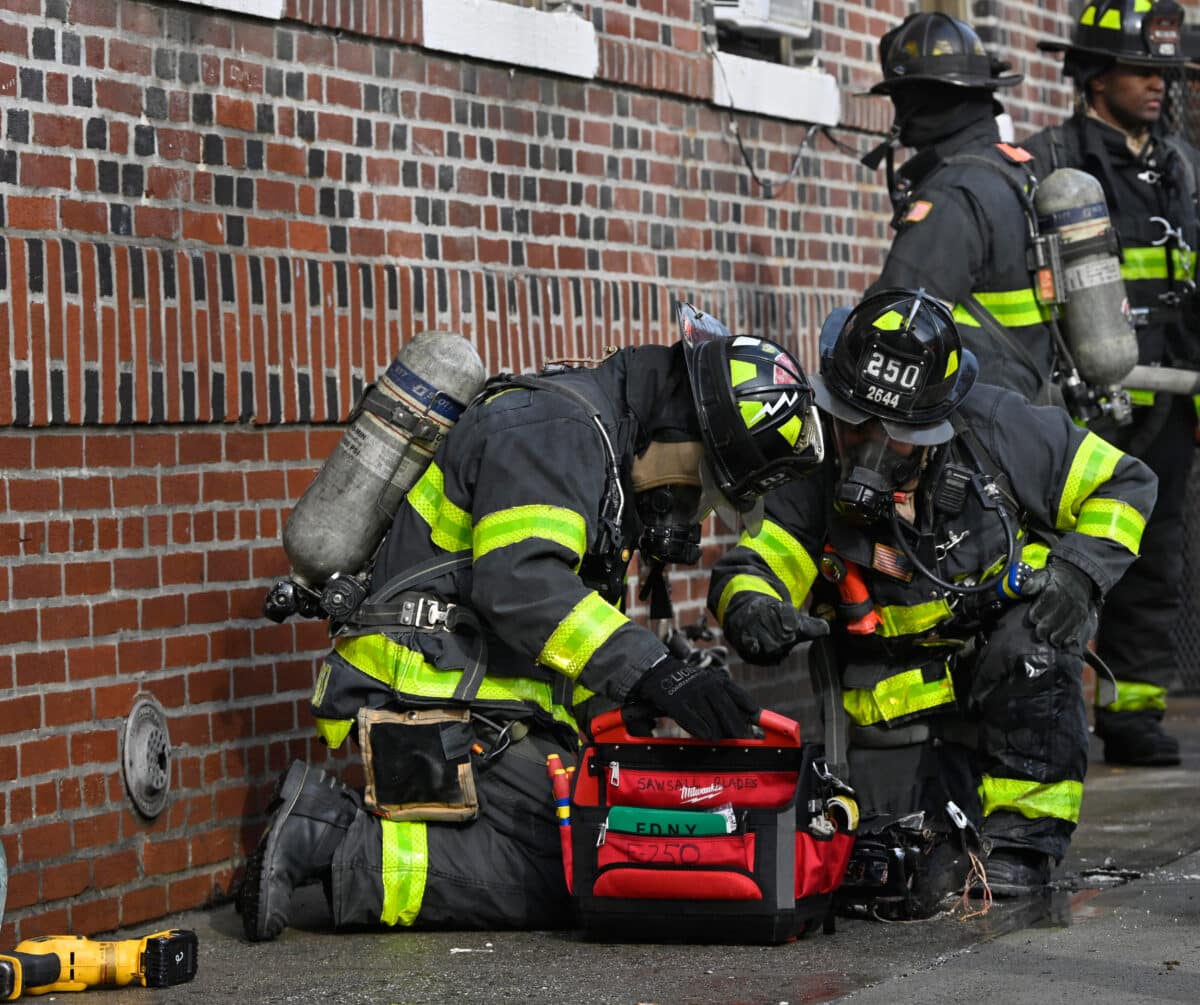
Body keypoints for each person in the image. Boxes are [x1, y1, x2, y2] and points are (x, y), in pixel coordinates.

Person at [237, 305, 826, 941]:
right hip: (427, 696)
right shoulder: (557, 430)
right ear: (685, 428)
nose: (698, 509)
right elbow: (522, 587)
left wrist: (638, 703)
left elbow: (561, 624)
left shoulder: (604, 439)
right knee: (588, 864)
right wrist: (652, 672)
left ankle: (365, 836)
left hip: (485, 701)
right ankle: (332, 838)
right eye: (706, 484)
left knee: (614, 836)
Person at [710, 289, 1157, 915]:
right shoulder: (813, 467)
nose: (868, 446)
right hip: (895, 705)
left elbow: (1125, 482)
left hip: (1007, 678)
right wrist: (751, 608)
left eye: (893, 435)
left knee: (1034, 638)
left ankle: (1024, 844)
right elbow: (757, 564)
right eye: (855, 423)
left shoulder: (997, 430)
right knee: (903, 872)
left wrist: (1078, 573)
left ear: (932, 427)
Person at [1019, 0, 1197, 768]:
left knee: (1156, 556)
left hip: (1170, 390)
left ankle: (1134, 712)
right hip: (1080, 399)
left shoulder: (1181, 164)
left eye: (1166, 74)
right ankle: (1042, 699)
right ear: (1096, 76)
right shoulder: (1051, 160)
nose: (1159, 85)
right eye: (1141, 70)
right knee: (1064, 548)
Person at [863, 11, 1061, 404]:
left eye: (901, 98)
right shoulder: (1017, 172)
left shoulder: (951, 195)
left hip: (977, 414)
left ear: (916, 99)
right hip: (1032, 411)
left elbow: (894, 328)